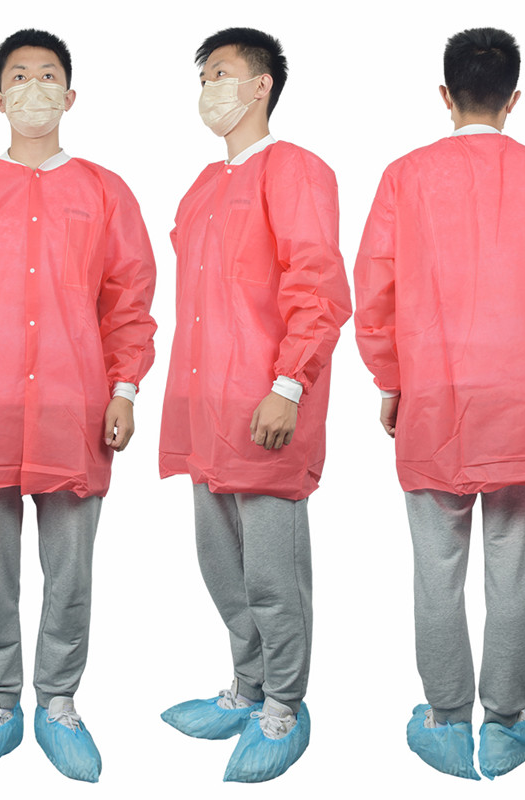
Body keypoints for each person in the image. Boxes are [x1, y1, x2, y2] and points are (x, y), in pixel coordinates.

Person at [0, 28, 156, 783]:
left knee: (70, 569)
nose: (34, 88)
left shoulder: (105, 192)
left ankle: (58, 701)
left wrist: (124, 388)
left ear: (71, 95)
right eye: (18, 76)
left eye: (48, 75)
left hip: (72, 404)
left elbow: (128, 300)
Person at [354, 27, 525, 781]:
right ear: (513, 99)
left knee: (436, 567)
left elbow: (376, 286)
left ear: (445, 95)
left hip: (434, 396)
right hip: (522, 398)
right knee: (513, 571)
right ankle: (509, 719)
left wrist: (390, 381)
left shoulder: (406, 176)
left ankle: (446, 716)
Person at [158, 27, 351, 783]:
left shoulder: (295, 170)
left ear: (261, 84)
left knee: (273, 576)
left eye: (221, 73)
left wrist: (289, 384)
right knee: (221, 566)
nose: (209, 87)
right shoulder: (202, 187)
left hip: (265, 402)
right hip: (203, 404)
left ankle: (284, 706)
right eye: (204, 75)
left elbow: (317, 287)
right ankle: (246, 687)